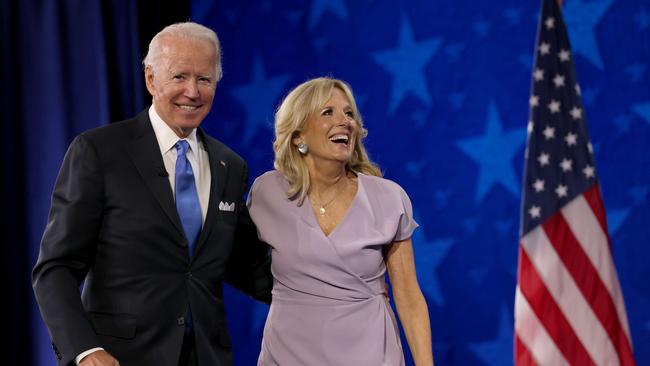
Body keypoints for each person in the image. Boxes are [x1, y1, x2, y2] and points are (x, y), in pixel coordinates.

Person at [32, 22, 271, 366]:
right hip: (121, 358)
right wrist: (84, 351)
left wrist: (340, 283)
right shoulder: (100, 152)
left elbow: (251, 268)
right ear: (150, 78)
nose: (193, 91)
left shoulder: (229, 165)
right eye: (179, 77)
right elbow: (56, 268)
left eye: (204, 79)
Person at [247, 77, 434, 365]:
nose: (345, 121)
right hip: (288, 355)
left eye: (349, 114)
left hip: (370, 353)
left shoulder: (387, 198)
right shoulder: (267, 193)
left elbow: (408, 296)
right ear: (298, 136)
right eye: (328, 112)